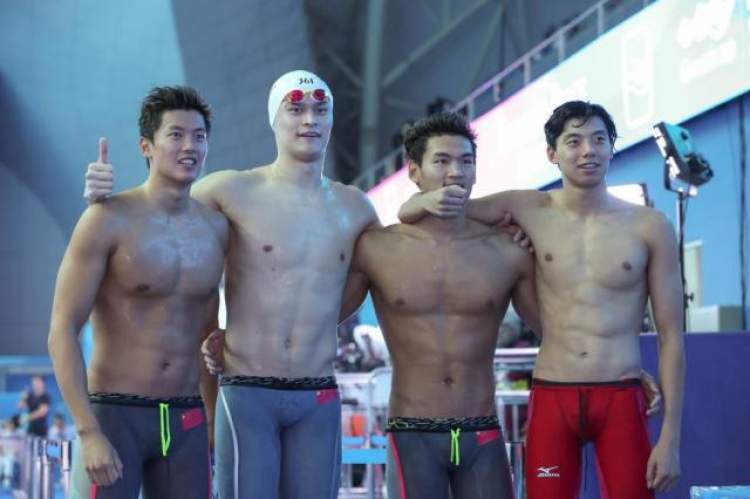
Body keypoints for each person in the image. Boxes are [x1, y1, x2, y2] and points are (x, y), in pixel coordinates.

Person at [85, 70, 380, 499]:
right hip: (247, 390)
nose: (309, 120)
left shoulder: (356, 207)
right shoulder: (230, 190)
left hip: (317, 390)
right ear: (273, 119)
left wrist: (320, 318)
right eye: (296, 109)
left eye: (321, 110)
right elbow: (154, 211)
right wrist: (102, 199)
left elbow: (378, 272)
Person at [399, 101, 684, 497]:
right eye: (574, 141)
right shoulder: (527, 208)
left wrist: (670, 439)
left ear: (612, 147)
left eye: (599, 139)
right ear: (552, 153)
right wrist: (410, 204)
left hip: (620, 394)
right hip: (553, 394)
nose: (588, 151)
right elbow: (444, 207)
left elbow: (672, 336)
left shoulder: (650, 226)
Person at [338, 112, 540, 498]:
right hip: (411, 431)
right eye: (442, 161)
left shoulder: (507, 251)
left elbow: (553, 330)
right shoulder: (377, 248)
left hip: (481, 428)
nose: (456, 172)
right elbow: (319, 317)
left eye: (466, 161)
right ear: (414, 171)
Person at [49, 86, 227, 498]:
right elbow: (62, 329)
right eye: (176, 135)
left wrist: (213, 418)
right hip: (115, 415)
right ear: (146, 146)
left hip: (185, 418)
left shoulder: (216, 229)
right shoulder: (106, 220)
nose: (190, 146)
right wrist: (87, 430)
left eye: (199, 136)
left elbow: (207, 329)